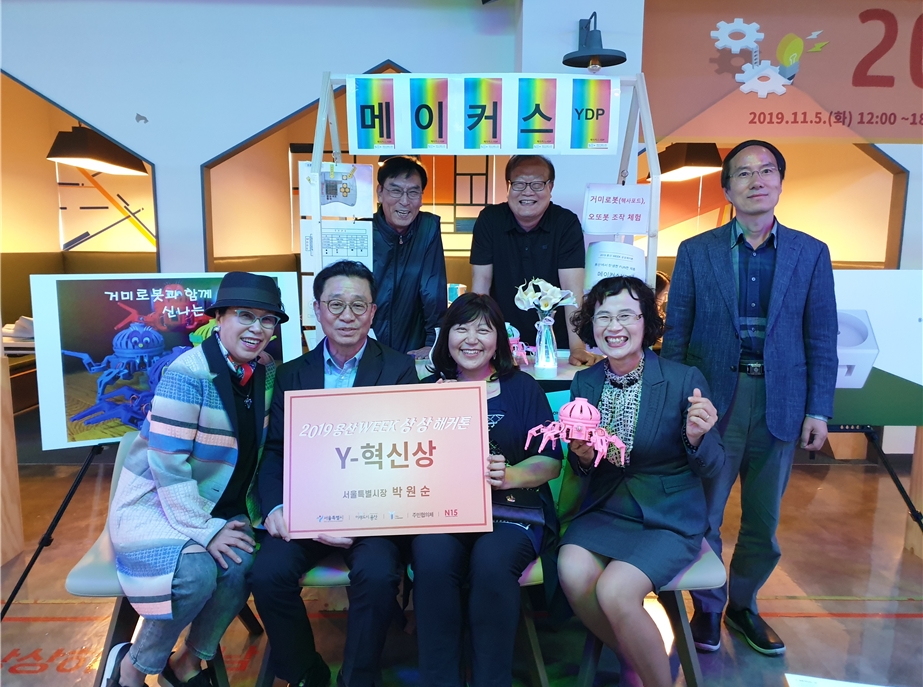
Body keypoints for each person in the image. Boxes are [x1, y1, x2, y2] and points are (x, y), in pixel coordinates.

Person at [661, 139, 838, 656]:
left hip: (781, 402)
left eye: (766, 171)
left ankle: (743, 605)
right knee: (705, 514)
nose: (756, 180)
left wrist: (818, 409)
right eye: (743, 173)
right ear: (727, 188)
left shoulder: (810, 252)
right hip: (713, 401)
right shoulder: (697, 251)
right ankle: (707, 609)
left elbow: (821, 336)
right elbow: (676, 334)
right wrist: (675, 402)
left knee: (763, 521)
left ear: (780, 182)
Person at [104, 272, 289, 687]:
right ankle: (134, 665)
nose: (257, 328)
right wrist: (206, 531)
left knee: (242, 564)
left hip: (222, 502)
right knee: (196, 574)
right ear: (219, 318)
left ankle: (186, 663)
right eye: (245, 316)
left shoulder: (265, 371)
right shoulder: (187, 373)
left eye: (267, 320)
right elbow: (167, 465)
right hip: (159, 501)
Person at [250, 260, 418, 687]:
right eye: (336, 304)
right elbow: (276, 451)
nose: (347, 315)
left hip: (374, 512)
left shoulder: (398, 368)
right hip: (307, 510)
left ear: (373, 312)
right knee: (266, 575)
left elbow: (402, 451)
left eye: (359, 305)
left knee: (378, 576)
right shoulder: (291, 374)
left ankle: (357, 679)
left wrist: (360, 519)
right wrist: (275, 506)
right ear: (317, 310)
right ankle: (306, 672)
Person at [557, 276, 724, 687]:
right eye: (603, 317)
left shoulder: (683, 379)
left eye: (626, 316)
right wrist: (581, 457)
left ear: (646, 322)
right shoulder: (585, 382)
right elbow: (583, 463)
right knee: (571, 570)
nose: (614, 327)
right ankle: (635, 658)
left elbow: (714, 467)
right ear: (591, 326)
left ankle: (655, 680)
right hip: (607, 507)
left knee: (615, 590)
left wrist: (697, 438)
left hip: (667, 514)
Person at [412, 293, 562, 687]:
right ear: (446, 336)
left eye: (484, 329)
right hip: (445, 511)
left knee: (492, 563)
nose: (471, 339)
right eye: (461, 328)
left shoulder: (523, 388)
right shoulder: (427, 389)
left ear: (499, 340)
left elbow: (550, 462)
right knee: (430, 559)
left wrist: (511, 474)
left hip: (513, 511)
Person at [469, 155, 598, 366]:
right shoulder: (490, 219)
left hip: (554, 343)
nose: (528, 192)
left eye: (537, 184)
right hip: (502, 341)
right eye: (519, 183)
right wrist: (479, 342)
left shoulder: (565, 223)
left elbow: (571, 291)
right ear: (508, 186)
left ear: (550, 187)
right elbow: (480, 285)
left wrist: (577, 347)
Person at [372, 155, 447, 360]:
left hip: (413, 347)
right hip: (367, 345)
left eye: (413, 192)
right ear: (380, 193)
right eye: (395, 191)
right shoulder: (363, 230)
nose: (404, 201)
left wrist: (433, 344)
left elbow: (433, 291)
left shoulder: (427, 228)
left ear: (421, 197)